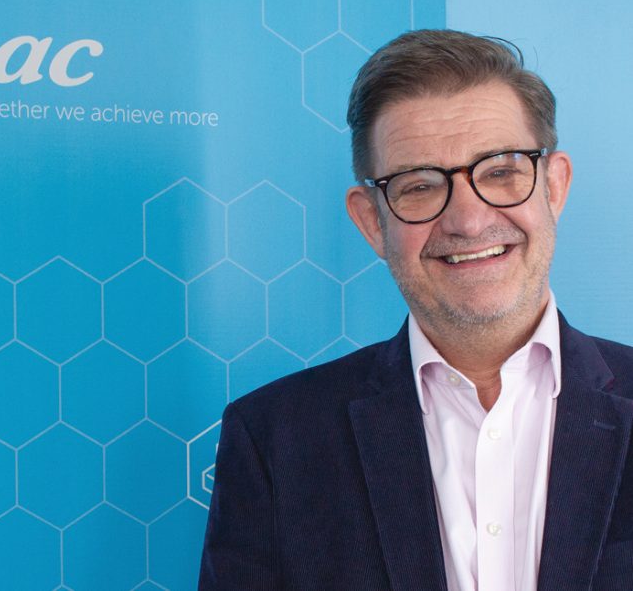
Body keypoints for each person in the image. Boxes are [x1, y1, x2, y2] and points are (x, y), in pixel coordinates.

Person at [198, 29, 633, 591]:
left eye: (500, 172)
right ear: (372, 221)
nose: (469, 221)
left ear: (553, 187)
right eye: (420, 186)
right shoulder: (274, 440)